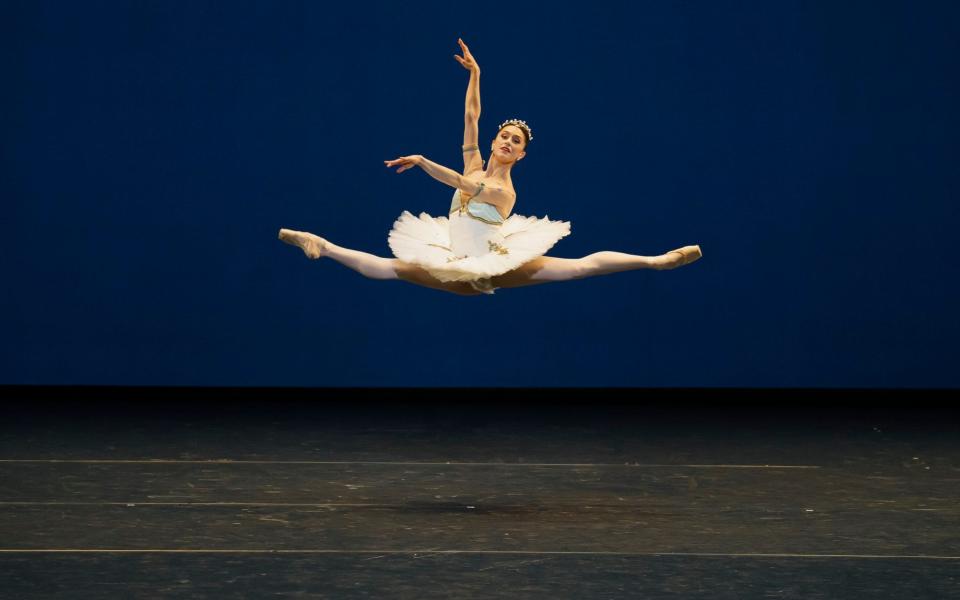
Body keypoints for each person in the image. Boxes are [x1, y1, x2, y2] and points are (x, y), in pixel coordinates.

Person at [279, 38, 701, 296]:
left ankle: (656, 261)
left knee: (579, 267)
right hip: (451, 258)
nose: (506, 141)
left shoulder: (503, 191)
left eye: (515, 141)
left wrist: (424, 161)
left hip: (493, 262)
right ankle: (320, 244)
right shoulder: (477, 160)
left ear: (520, 156)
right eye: (505, 136)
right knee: (388, 269)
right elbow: (471, 118)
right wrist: (476, 74)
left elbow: (462, 183)